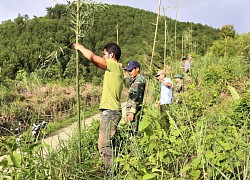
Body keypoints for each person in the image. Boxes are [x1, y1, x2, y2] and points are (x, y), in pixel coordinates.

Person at [73, 42, 123, 171]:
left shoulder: (113, 65)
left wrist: (80, 47)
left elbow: (92, 57)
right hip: (112, 111)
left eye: (104, 54)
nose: (103, 57)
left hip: (110, 111)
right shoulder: (115, 67)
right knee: (110, 144)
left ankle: (110, 173)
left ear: (111, 55)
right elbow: (96, 62)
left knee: (104, 145)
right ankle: (115, 169)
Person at [123, 60, 146, 134]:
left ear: (137, 69)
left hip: (135, 111)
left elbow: (136, 97)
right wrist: (125, 73)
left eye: (131, 70)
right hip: (134, 110)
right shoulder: (136, 78)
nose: (129, 72)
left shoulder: (139, 80)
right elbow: (127, 82)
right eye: (128, 71)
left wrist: (132, 112)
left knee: (133, 132)